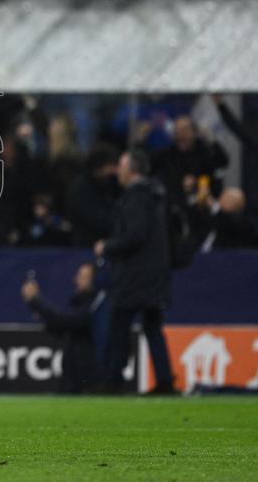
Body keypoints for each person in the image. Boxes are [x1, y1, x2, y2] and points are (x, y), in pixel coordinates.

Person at [94, 150, 175, 394]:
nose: (118, 171)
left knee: (119, 326)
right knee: (152, 327)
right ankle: (165, 380)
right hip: (154, 275)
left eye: (121, 166)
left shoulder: (136, 197)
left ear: (132, 170)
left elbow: (135, 235)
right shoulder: (155, 195)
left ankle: (113, 380)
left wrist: (107, 246)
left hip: (134, 276)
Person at [21, 263, 104, 393]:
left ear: (95, 280)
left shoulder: (97, 304)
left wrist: (36, 300)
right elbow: (60, 326)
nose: (77, 280)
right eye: (78, 276)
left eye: (84, 277)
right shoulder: (80, 303)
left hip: (88, 372)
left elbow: (68, 321)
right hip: (73, 370)